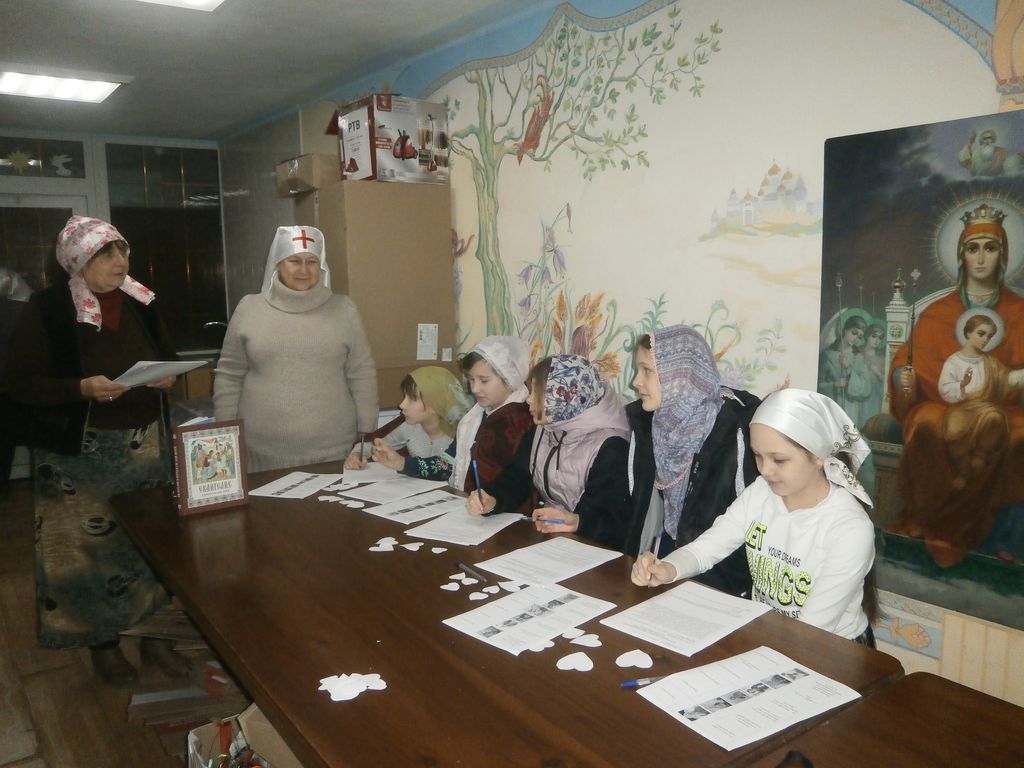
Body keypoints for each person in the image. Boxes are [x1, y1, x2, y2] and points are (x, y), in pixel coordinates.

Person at [3, 216, 186, 685]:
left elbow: (167, 356)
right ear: (78, 260)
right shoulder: (48, 308)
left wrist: (167, 376)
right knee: (87, 555)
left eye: (122, 250)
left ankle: (155, 638)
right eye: (107, 253)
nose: (120, 261)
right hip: (77, 459)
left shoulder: (141, 301)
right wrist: (80, 388)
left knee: (152, 546)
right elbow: (18, 382)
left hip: (144, 448)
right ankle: (103, 644)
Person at [632, 388, 877, 645]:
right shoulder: (761, 492)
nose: (765, 470)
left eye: (779, 460)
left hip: (832, 649)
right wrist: (667, 568)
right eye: (758, 456)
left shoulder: (850, 528)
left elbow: (810, 632)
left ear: (818, 457)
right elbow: (706, 549)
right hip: (773, 635)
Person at [889, 202, 1024, 565]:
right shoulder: (939, 312)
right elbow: (910, 360)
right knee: (925, 424)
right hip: (942, 403)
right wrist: (903, 378)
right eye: (972, 248)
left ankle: (1002, 537)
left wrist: (1000, 385)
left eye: (990, 248)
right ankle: (925, 517)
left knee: (1018, 436)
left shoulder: (1020, 312)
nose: (980, 258)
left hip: (1002, 407)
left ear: (1003, 255)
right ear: (961, 256)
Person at [214, 226, 378, 472]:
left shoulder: (344, 310)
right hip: (259, 453)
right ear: (278, 263)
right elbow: (229, 372)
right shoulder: (249, 308)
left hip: (333, 452)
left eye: (312, 262)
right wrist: (224, 430)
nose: (304, 270)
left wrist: (367, 429)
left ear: (321, 266)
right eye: (294, 261)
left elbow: (361, 372)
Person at [622, 326, 760, 598]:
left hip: (724, 587)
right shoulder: (653, 428)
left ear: (681, 375)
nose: (636, 382)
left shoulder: (734, 434)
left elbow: (749, 536)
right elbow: (643, 518)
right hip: (669, 568)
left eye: (647, 370)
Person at [467, 354, 631, 549]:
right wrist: (493, 499)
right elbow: (518, 477)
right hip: (553, 538)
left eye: (537, 393)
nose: (529, 400)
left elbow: (611, 520)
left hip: (592, 547)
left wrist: (577, 521)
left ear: (565, 395)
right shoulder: (545, 429)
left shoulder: (611, 446)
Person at [938, 311, 1024, 491]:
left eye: (990, 336)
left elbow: (1007, 379)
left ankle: (980, 457)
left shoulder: (991, 363)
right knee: (954, 430)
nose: (985, 339)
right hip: (962, 409)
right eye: (981, 333)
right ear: (968, 332)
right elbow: (945, 389)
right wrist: (962, 385)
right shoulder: (954, 361)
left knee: (994, 417)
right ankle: (962, 470)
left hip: (986, 408)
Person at [347, 366, 471, 477]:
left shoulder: (463, 435)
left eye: (412, 399)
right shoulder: (409, 427)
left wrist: (401, 463)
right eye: (404, 396)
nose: (402, 405)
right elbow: (375, 446)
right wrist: (357, 454)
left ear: (436, 403)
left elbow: (449, 470)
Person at [447, 335, 534, 494]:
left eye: (484, 381)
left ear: (509, 378)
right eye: (471, 380)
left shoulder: (521, 421)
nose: (475, 389)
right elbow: (449, 460)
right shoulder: (474, 416)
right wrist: (405, 464)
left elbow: (517, 482)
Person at [818, 314, 870, 426]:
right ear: (845, 330)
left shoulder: (859, 358)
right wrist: (835, 384)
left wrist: (848, 368)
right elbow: (817, 385)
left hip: (851, 411)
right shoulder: (827, 355)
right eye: (854, 333)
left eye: (860, 336)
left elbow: (866, 388)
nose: (856, 338)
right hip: (831, 408)